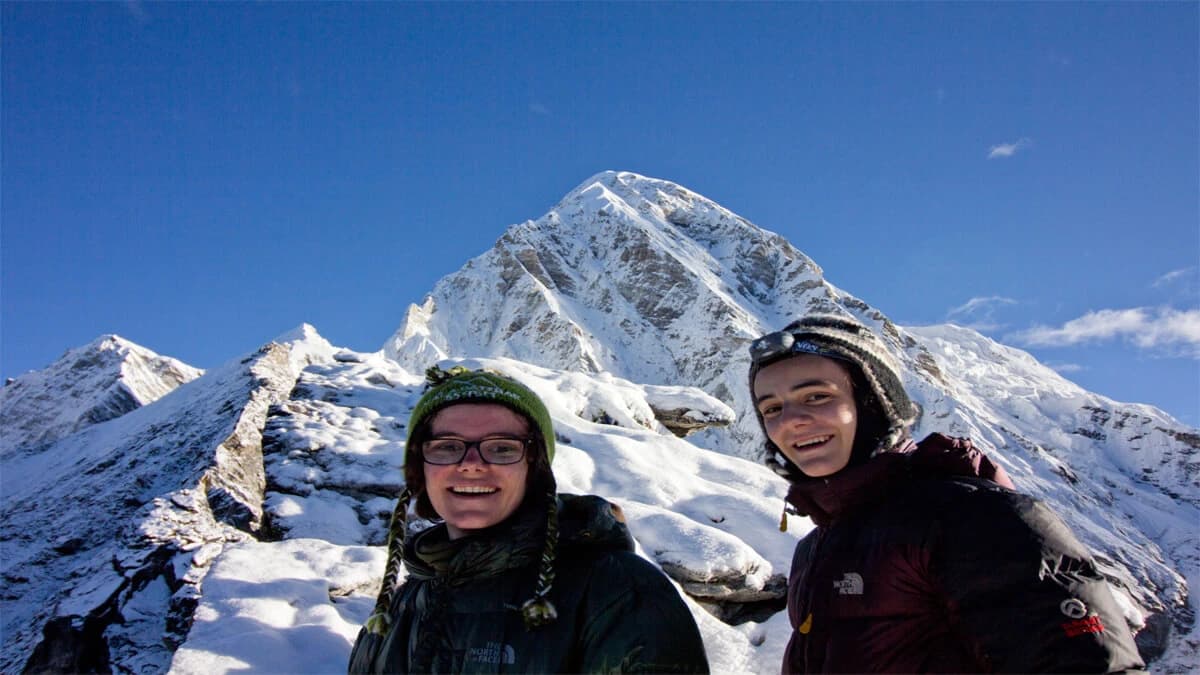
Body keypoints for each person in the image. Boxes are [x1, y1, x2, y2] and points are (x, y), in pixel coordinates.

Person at [748, 314, 1145, 673]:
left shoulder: (976, 518)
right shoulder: (817, 545)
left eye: (817, 396)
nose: (792, 421)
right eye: (771, 409)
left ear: (873, 404)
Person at [349, 366, 709, 674]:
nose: (471, 463)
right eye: (447, 446)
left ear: (534, 470)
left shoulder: (619, 593)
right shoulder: (403, 602)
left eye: (501, 447)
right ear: (421, 469)